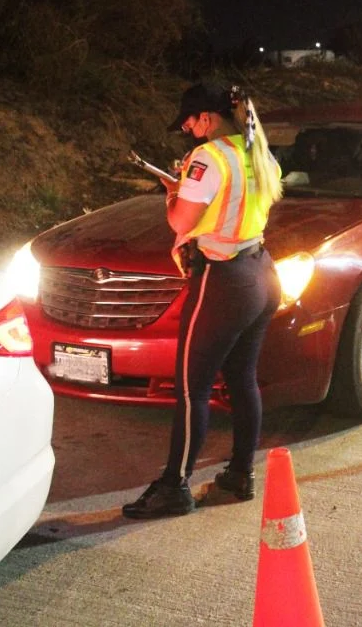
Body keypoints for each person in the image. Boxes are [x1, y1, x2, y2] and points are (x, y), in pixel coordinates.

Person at [122, 82, 284, 519]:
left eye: (191, 121)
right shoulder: (259, 152)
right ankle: (240, 475)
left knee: (191, 388)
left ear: (209, 118)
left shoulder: (207, 158)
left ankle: (174, 485)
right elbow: (235, 204)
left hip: (223, 277)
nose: (189, 130)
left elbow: (182, 221)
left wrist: (173, 192)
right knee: (243, 379)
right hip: (260, 271)